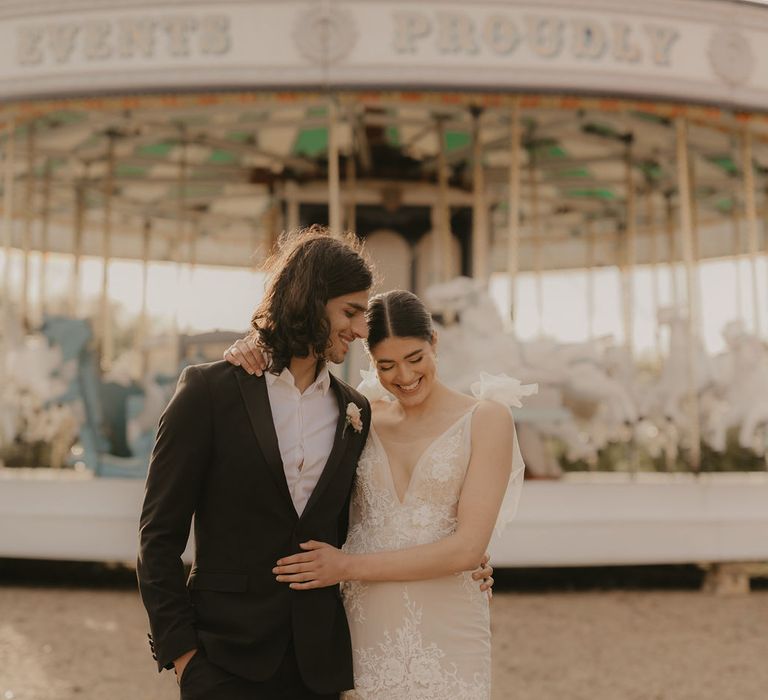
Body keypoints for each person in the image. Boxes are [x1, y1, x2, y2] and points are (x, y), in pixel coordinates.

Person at [137, 226, 493, 700]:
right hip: (224, 661)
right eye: (349, 311)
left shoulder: (356, 410)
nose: (361, 329)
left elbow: (361, 520)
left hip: (320, 668)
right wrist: (184, 658)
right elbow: (157, 538)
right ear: (309, 298)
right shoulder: (209, 392)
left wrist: (462, 557)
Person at [226, 289, 531, 698]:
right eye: (386, 365)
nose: (403, 377)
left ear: (434, 343)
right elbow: (290, 421)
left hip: (448, 617)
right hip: (365, 620)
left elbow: (466, 550)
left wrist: (344, 567)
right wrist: (252, 348)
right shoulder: (358, 413)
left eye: (415, 359)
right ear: (370, 360)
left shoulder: (486, 419)